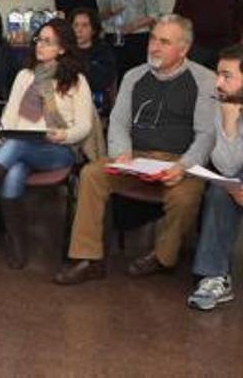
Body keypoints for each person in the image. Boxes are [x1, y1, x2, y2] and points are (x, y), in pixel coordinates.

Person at [55, 15, 216, 285]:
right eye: (153, 39)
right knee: (92, 174)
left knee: (187, 196)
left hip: (179, 162)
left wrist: (184, 166)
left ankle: (162, 257)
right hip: (135, 158)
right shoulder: (134, 76)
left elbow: (206, 135)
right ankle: (88, 259)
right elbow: (118, 122)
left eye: (164, 42)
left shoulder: (205, 80)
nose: (154, 47)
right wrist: (122, 153)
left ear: (184, 49)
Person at [0, 18, 100, 269]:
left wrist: (63, 135)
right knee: (14, 169)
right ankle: (17, 240)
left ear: (62, 48)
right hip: (22, 145)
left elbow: (85, 125)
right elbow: (9, 116)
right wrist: (7, 130)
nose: (40, 45)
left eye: (48, 42)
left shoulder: (76, 80)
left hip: (58, 149)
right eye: (39, 39)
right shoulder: (24, 75)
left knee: (13, 149)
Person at [187, 44, 243, 310]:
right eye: (218, 74)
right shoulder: (225, 105)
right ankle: (214, 276)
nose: (218, 82)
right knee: (221, 190)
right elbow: (227, 167)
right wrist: (229, 123)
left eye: (226, 76)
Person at [70, 7, 117, 114]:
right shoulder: (64, 51)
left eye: (85, 25)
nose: (79, 30)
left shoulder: (103, 51)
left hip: (95, 105)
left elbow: (102, 81)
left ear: (93, 30)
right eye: (75, 25)